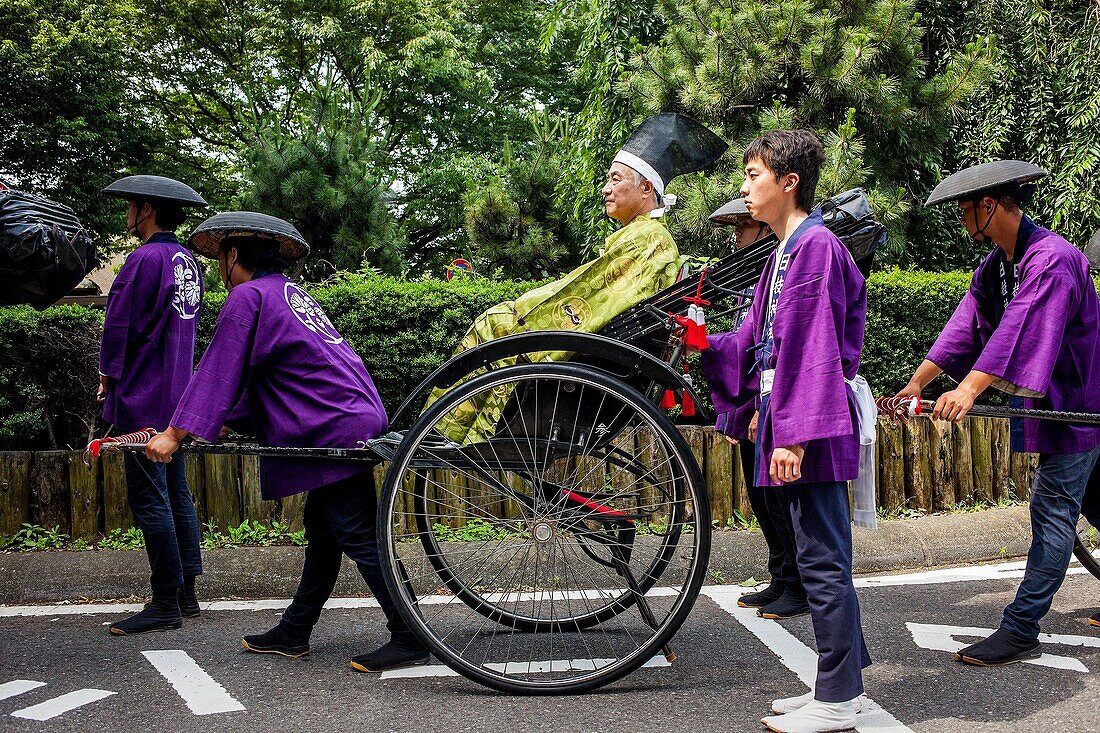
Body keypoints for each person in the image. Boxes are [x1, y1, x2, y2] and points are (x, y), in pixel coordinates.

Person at [144, 211, 430, 672]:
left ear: (233, 256)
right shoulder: (291, 294)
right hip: (349, 412)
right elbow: (275, 374)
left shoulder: (248, 296)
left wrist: (175, 433)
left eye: (220, 258)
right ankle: (294, 631)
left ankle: (411, 635)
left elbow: (221, 368)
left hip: (333, 422)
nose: (220, 269)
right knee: (324, 531)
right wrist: (221, 422)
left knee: (357, 534)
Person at [895, 159, 1100, 664]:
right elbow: (965, 325)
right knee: (1094, 505)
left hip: (1080, 406)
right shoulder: (998, 264)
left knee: (1052, 509)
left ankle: (1022, 626)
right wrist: (917, 383)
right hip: (1057, 405)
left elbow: (1021, 330)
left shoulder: (1051, 258)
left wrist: (968, 389)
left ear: (988, 206)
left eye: (965, 211)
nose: (963, 222)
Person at [701, 130, 870, 733]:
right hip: (793, 411)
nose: (745, 188)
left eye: (753, 175)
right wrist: (705, 344)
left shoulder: (815, 247)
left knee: (822, 558)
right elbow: (753, 343)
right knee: (815, 552)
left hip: (811, 418)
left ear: (788, 181)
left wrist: (794, 436)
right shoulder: (783, 251)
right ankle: (835, 683)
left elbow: (814, 349)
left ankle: (839, 699)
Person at [425, 113, 727, 443]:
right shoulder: (646, 236)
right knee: (497, 323)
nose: (606, 188)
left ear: (646, 188)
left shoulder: (650, 239)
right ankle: (450, 434)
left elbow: (592, 291)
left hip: (600, 355)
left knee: (496, 323)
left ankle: (447, 434)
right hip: (606, 352)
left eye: (615, 179)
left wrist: (527, 304)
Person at [99, 175, 208, 635]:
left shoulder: (143, 259)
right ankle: (186, 594)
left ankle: (164, 600)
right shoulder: (189, 262)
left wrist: (107, 377)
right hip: (177, 394)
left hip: (144, 393)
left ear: (147, 210)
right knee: (176, 491)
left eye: (131, 206)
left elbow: (118, 326)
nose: (127, 213)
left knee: (150, 497)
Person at [708, 198, 807, 620]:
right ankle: (781, 574)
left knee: (778, 496)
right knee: (759, 495)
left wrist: (756, 408)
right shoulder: (750, 275)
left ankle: (798, 583)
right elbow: (739, 344)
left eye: (744, 227)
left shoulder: (781, 269)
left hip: (768, 398)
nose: (737, 236)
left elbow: (770, 349)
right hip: (752, 399)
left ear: (764, 231)